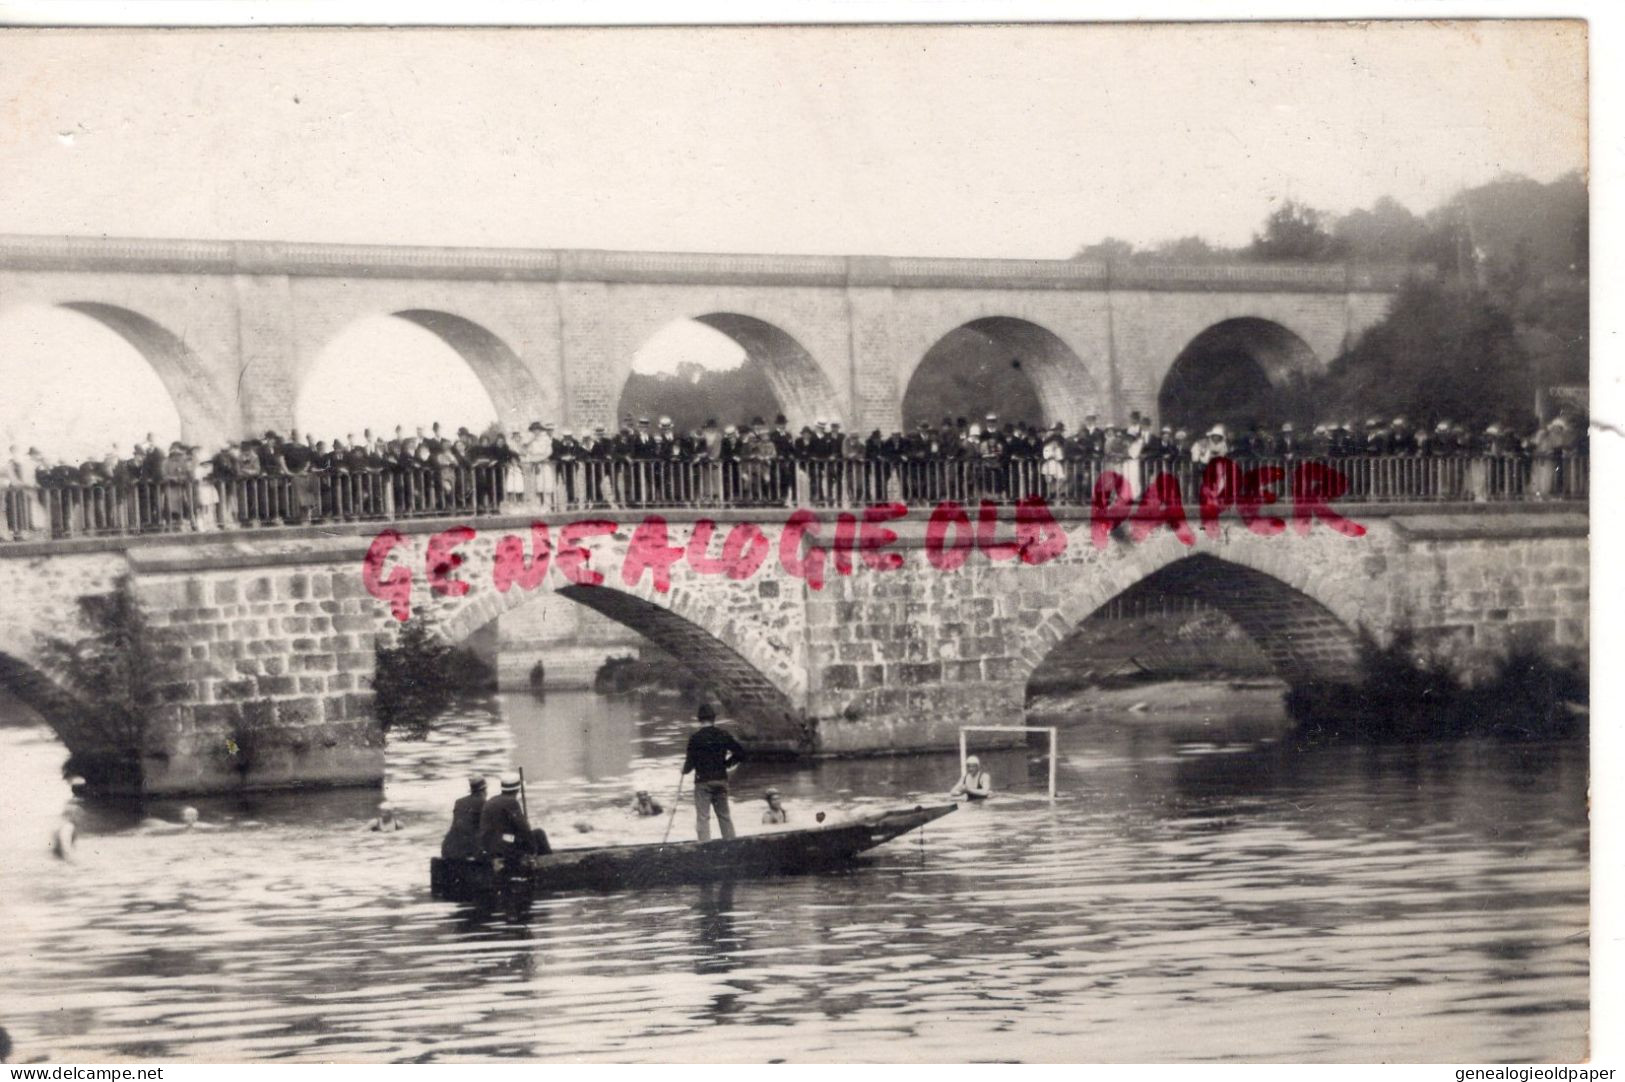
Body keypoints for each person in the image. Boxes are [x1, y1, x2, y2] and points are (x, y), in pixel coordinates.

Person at [681, 703, 745, 841]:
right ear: (713, 719)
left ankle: (705, 849)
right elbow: (741, 753)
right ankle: (731, 846)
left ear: (699, 720)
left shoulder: (695, 738)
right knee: (724, 815)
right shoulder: (723, 734)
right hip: (721, 779)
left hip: (702, 782)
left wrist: (684, 770)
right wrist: (727, 764)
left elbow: (690, 764)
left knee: (703, 817)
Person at [478, 774, 550, 861]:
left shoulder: (491, 800)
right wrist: (532, 850)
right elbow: (524, 829)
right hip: (504, 847)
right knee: (539, 833)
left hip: (490, 846)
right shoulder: (511, 802)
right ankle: (549, 861)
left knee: (521, 837)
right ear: (517, 790)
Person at [440, 776, 487, 859]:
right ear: (484, 790)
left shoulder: (459, 802)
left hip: (448, 848)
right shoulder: (484, 803)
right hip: (468, 851)